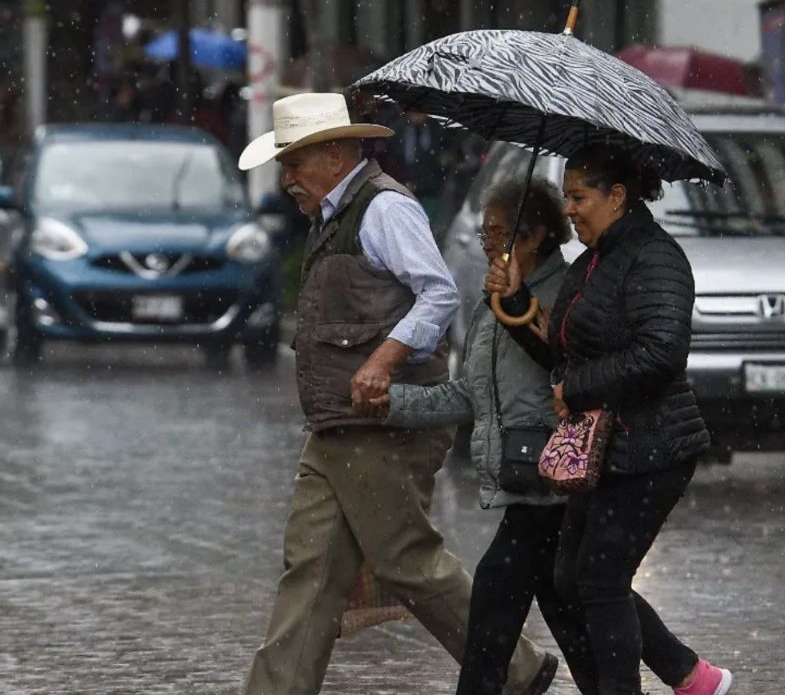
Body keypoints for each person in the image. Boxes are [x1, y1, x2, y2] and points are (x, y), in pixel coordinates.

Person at [236, 92, 556, 695]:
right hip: (338, 425)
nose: (287, 179)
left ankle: (516, 665)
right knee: (311, 571)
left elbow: (437, 294)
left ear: (334, 153)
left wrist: (383, 360)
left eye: (294, 162)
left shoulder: (384, 209)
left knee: (405, 560)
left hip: (383, 425)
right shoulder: (334, 214)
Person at [495, 144, 733, 695]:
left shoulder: (656, 258)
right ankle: (689, 676)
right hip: (605, 449)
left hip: (652, 448)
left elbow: (660, 353)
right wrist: (515, 304)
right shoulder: (595, 260)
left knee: (600, 579)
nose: (570, 210)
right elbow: (566, 355)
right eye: (566, 197)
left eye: (580, 197)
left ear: (618, 197)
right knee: (570, 577)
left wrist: (576, 387)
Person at [371, 176, 596, 695]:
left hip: (549, 485)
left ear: (536, 235)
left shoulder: (566, 295)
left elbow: (569, 372)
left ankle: (679, 670)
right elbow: (468, 396)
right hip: (522, 488)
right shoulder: (491, 306)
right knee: (570, 625)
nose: (487, 243)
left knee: (496, 615)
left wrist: (519, 305)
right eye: (486, 232)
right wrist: (392, 404)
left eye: (498, 232)